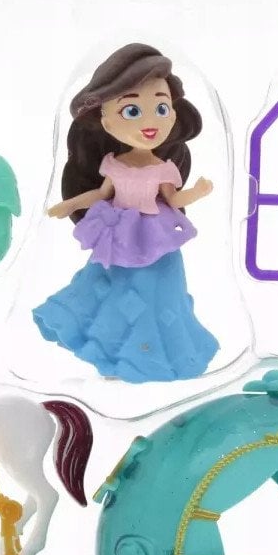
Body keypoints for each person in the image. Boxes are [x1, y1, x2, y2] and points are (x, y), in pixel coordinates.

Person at [32, 43, 219, 383]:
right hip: (118, 238)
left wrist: (199, 192)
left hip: (155, 239)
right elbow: (101, 194)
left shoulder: (163, 168)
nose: (150, 122)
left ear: (173, 114)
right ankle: (113, 353)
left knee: (158, 298)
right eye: (132, 111)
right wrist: (71, 204)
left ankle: (148, 357)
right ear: (105, 121)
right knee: (107, 291)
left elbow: (173, 200)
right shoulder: (113, 164)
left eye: (161, 108)